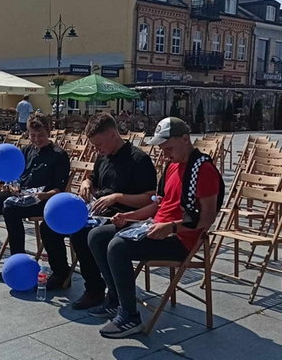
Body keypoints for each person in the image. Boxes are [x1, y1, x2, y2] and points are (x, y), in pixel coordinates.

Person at [88, 117, 224, 338]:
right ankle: (115, 299)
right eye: (162, 149)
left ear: (185, 139)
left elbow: (207, 219)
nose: (164, 154)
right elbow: (158, 205)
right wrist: (129, 216)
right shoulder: (172, 165)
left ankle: (130, 316)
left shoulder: (203, 169)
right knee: (97, 236)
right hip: (156, 226)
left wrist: (170, 228)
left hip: (181, 239)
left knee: (117, 247)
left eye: (168, 148)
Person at [39, 113, 157, 310]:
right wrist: (86, 182)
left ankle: (94, 289)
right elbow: (93, 177)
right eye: (94, 146)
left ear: (113, 134)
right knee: (49, 226)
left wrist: (117, 197)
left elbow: (149, 198)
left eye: (99, 144)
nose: (97, 149)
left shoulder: (138, 159)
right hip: (97, 212)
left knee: (81, 234)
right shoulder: (103, 156)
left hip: (124, 216)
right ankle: (60, 273)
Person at [0, 112, 70, 281]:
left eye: (41, 135)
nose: (37, 139)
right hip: (19, 194)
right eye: (33, 135)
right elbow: (15, 175)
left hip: (44, 199)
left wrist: (42, 195)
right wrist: (12, 184)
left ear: (49, 132)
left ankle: (18, 264)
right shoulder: (26, 150)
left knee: (11, 209)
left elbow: (59, 190)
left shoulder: (58, 154)